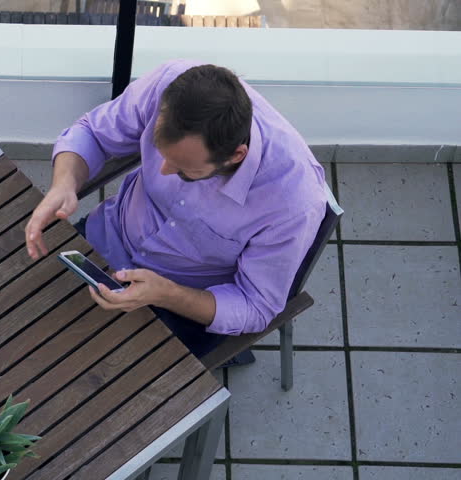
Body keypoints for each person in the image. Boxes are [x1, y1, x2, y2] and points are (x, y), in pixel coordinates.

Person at [24, 60, 326, 363]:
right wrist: (64, 183)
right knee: (22, 320)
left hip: (179, 306)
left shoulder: (293, 201)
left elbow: (256, 306)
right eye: (161, 154)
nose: (164, 170)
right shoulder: (170, 84)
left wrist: (166, 294)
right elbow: (92, 132)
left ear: (236, 156)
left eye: (184, 169)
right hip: (103, 240)